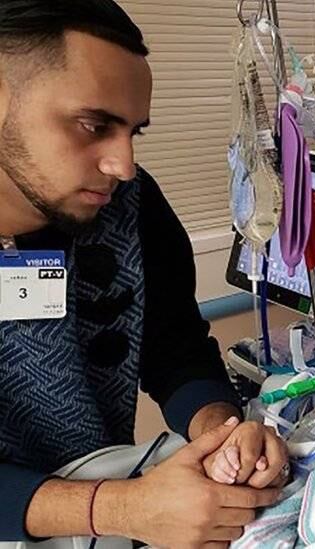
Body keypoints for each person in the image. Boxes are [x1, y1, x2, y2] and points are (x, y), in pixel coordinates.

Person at [0, 1, 288, 546]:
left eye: (134, 132)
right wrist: (120, 508)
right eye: (94, 126)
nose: (123, 164)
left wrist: (222, 435)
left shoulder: (127, 205)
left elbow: (173, 346)